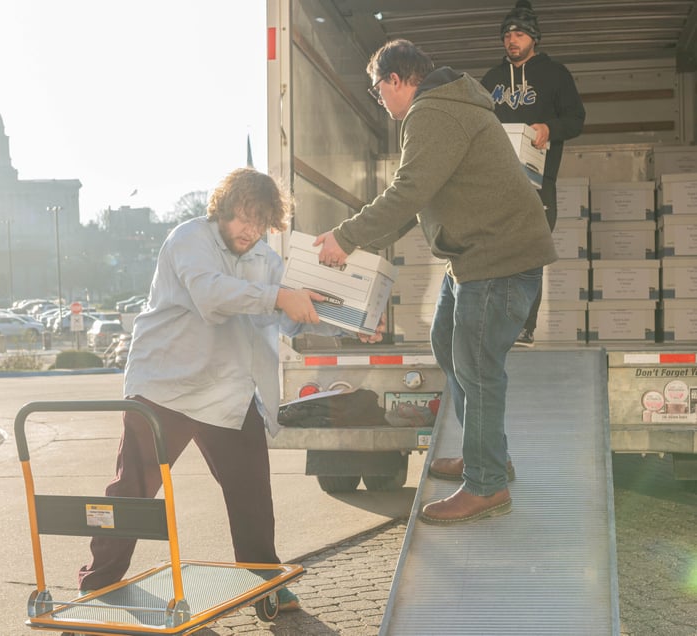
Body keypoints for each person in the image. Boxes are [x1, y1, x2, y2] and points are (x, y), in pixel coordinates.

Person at [77, 167, 382, 608]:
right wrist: (279, 297)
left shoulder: (266, 259)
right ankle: (97, 583)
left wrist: (354, 325)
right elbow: (213, 296)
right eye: (243, 217)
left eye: (260, 221)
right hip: (166, 387)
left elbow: (292, 316)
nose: (251, 229)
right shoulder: (189, 239)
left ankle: (263, 585)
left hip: (228, 392)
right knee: (133, 489)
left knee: (252, 491)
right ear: (222, 209)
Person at [315, 39, 557, 525]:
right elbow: (420, 200)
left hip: (497, 257)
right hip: (474, 258)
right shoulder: (445, 107)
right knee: (448, 346)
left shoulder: (432, 112)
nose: (378, 100)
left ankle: (487, 485)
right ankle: (486, 457)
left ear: (395, 80)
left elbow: (407, 192)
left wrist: (345, 236)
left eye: (376, 89)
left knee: (477, 366)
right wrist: (356, 245)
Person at [481, 0, 586, 346]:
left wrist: (549, 128)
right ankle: (492, 326)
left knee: (530, 255)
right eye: (507, 34)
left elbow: (576, 119)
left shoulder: (555, 75)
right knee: (491, 255)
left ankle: (524, 327)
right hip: (494, 184)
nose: (512, 39)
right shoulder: (491, 79)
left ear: (534, 38)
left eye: (519, 33)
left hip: (538, 183)